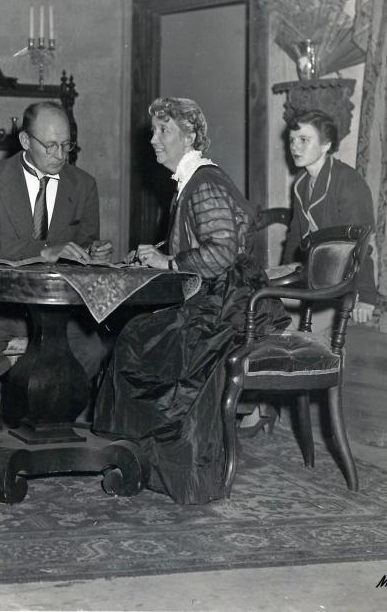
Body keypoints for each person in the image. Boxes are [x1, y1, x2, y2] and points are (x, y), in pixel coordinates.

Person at [92, 97, 288, 505]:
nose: (152, 140)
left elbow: (222, 251)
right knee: (136, 339)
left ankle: (162, 467)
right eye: (154, 130)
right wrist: (159, 253)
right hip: (215, 300)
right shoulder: (193, 182)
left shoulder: (204, 182)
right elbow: (204, 240)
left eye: (163, 131)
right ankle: (145, 464)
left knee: (138, 344)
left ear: (191, 136)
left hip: (225, 310)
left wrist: (169, 261)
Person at [0, 101, 114, 426]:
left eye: (67, 145)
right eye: (50, 145)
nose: (60, 154)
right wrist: (45, 249)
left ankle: (47, 428)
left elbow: (83, 245)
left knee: (92, 353)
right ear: (25, 141)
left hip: (58, 314)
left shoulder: (84, 185)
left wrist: (94, 252)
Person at [284, 108, 377, 321]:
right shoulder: (300, 183)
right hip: (311, 270)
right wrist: (286, 272)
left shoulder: (348, 182)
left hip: (340, 277)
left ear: (326, 145)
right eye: (292, 140)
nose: (295, 147)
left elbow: (361, 243)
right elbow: (295, 234)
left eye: (304, 140)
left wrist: (366, 297)